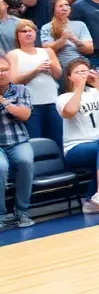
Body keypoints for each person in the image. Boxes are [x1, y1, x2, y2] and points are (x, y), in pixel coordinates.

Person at [56, 58, 99, 213]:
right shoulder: (63, 98)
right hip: (75, 148)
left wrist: (98, 86)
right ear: (69, 77)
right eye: (78, 72)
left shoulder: (95, 92)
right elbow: (69, 112)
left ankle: (91, 201)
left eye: (85, 71)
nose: (83, 74)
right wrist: (79, 88)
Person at [6, 19, 62, 142]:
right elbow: (14, 80)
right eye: (24, 31)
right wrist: (36, 70)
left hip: (52, 102)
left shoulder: (47, 51)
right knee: (35, 141)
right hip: (31, 106)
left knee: (58, 139)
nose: (28, 33)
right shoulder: (13, 54)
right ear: (17, 35)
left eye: (30, 31)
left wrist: (51, 64)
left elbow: (58, 74)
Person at [0, 56, 36, 229]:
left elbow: (25, 115)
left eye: (4, 70)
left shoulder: (21, 90)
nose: (1, 74)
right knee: (0, 167)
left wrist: (5, 103)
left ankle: (22, 212)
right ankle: (1, 214)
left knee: (25, 161)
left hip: (18, 141)